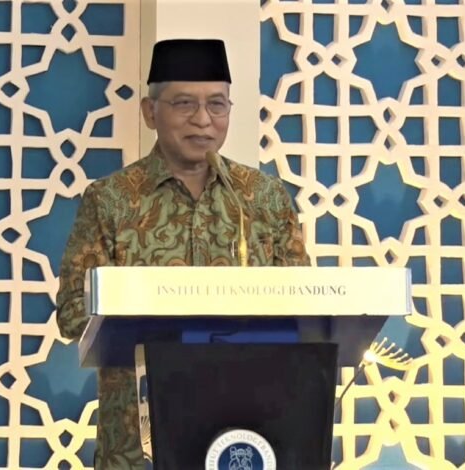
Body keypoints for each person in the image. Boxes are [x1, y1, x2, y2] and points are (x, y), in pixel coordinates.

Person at [55, 38, 311, 469]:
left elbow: (304, 304)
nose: (203, 120)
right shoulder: (110, 200)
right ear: (149, 112)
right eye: (184, 104)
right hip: (138, 443)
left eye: (217, 105)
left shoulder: (263, 198)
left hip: (250, 432)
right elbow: (72, 313)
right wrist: (153, 315)